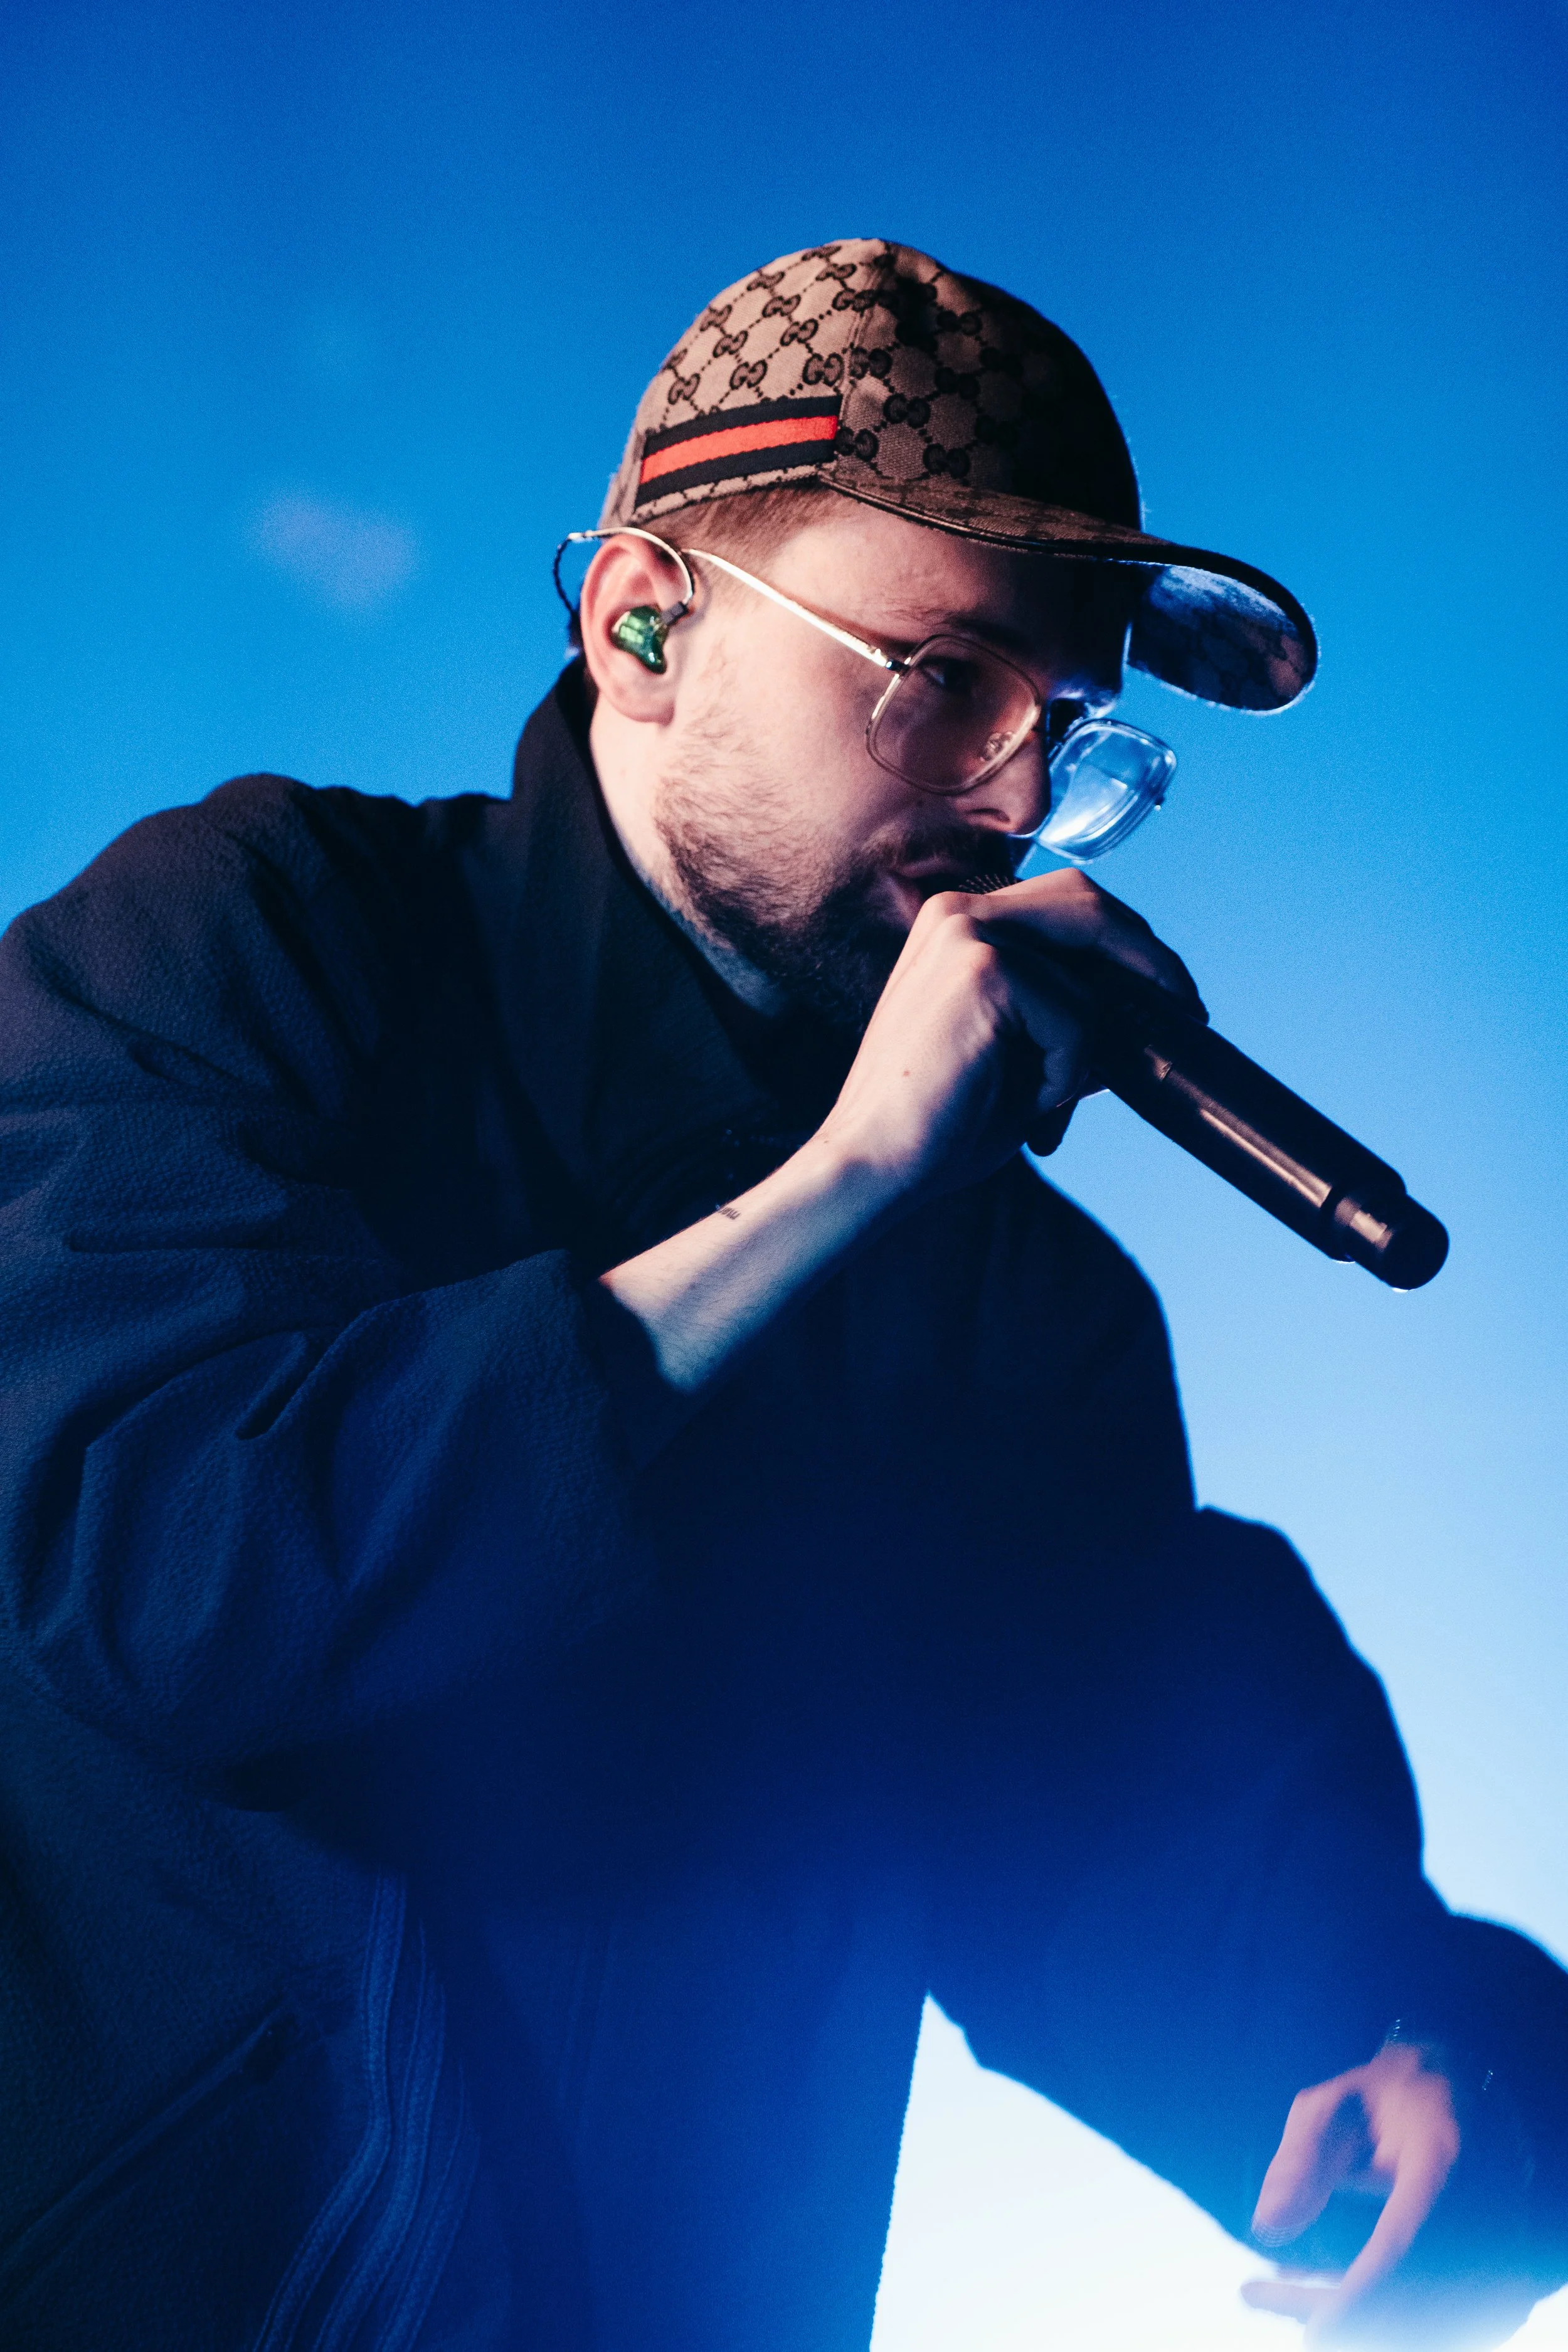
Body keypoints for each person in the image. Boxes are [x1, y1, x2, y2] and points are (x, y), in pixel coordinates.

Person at [0, 236, 1563, 2352]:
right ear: (643, 621)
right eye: (942, 680)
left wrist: (1405, 2032)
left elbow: (1095, 1821)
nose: (1014, 799)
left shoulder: (1015, 1307)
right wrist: (837, 1187)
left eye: (1071, 727)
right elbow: (157, 1561)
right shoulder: (260, 939)